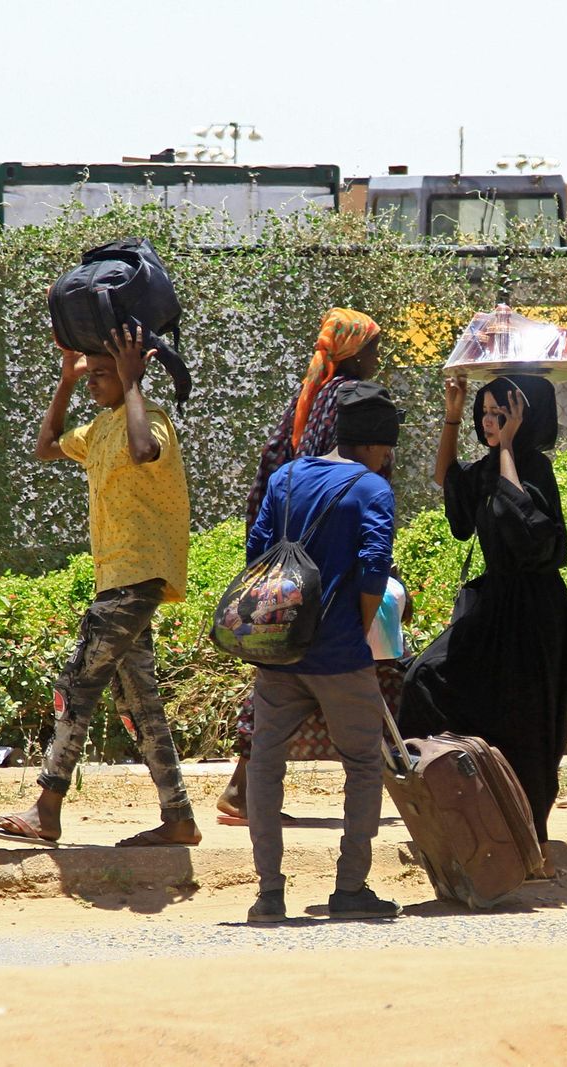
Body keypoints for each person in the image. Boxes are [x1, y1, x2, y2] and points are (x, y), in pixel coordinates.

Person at [0, 326, 200, 849]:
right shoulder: (100, 429)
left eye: (102, 375)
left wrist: (131, 383)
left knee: (74, 686)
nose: (93, 384)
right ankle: (179, 817)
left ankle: (46, 809)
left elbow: (144, 449)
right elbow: (46, 447)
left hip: (137, 577)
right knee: (139, 702)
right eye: (93, 376)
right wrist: (64, 380)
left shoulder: (148, 422)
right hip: (116, 580)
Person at [401, 374, 567, 879]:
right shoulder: (486, 467)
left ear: (527, 415)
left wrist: (512, 447)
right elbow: (448, 486)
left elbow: (529, 531)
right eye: (487, 412)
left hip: (535, 612)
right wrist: (454, 415)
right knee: (426, 680)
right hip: (492, 605)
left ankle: (533, 840)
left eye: (504, 411)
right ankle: (459, 810)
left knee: (528, 723)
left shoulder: (535, 468)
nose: (491, 420)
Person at [243, 382, 402, 924]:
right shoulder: (373, 489)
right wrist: (354, 634)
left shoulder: (287, 476)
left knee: (265, 763)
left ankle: (269, 895)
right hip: (339, 655)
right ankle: (350, 889)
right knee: (362, 764)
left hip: (280, 652)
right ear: (380, 446)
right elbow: (373, 569)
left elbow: (257, 552)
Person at [218, 308, 384, 824]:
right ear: (356, 354)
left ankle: (248, 788)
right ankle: (251, 791)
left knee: (285, 668)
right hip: (326, 554)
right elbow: (338, 473)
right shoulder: (348, 399)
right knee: (333, 665)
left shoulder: (314, 393)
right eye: (376, 348)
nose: (380, 357)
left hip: (289, 548)